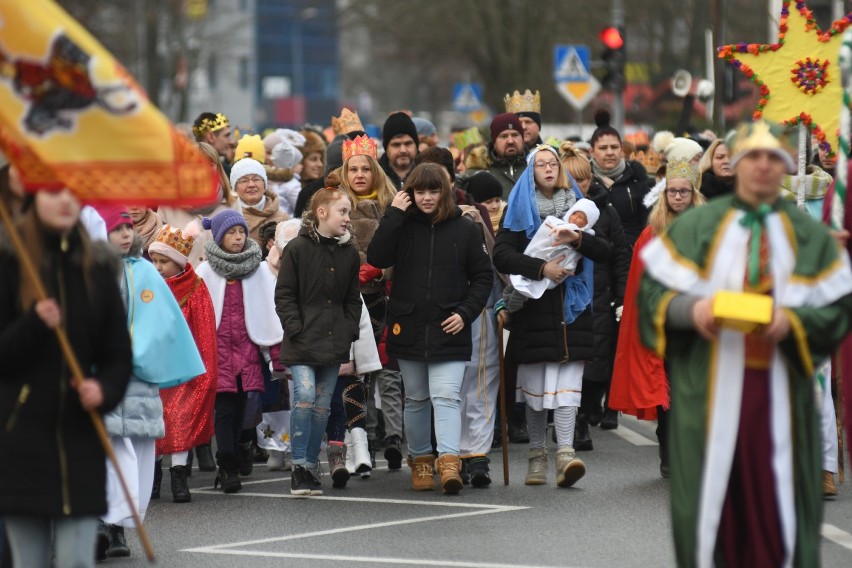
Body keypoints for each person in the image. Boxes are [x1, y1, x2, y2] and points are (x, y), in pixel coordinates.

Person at [638, 120, 852, 567]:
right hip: (708, 396)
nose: (761, 167)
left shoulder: (809, 234)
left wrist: (793, 322)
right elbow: (653, 298)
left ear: (787, 167)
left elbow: (836, 311)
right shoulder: (695, 228)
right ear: (734, 164)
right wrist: (690, 311)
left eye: (772, 158)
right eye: (752, 157)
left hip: (781, 399)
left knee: (780, 514)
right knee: (709, 514)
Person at [0, 188, 132, 568]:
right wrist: (34, 323)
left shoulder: (97, 267)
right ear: (31, 199)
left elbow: (117, 354)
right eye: (51, 192)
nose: (63, 201)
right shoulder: (10, 264)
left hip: (80, 437)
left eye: (71, 193)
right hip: (19, 437)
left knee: (77, 560)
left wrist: (104, 389)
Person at [367, 163, 493, 494]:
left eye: (432, 191)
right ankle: (421, 461)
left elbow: (483, 277)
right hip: (408, 325)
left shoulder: (465, 229)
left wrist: (466, 313)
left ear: (444, 192)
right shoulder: (402, 225)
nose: (426, 197)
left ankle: (449, 462)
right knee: (418, 398)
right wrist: (393, 215)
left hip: (449, 326)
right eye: (419, 191)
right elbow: (378, 257)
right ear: (410, 193)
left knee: (447, 396)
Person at [493, 144, 612, 488]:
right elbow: (502, 255)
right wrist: (542, 267)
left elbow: (604, 250)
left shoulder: (580, 210)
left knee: (567, 388)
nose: (548, 168)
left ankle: (565, 453)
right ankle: (536, 455)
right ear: (531, 172)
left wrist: (576, 241)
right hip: (534, 311)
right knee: (534, 389)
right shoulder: (520, 210)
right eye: (541, 164)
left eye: (553, 163)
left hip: (572, 309)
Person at [97, 206, 203, 559]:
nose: (125, 234)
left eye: (128, 227)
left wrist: (136, 352)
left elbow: (161, 323)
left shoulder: (144, 272)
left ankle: (119, 529)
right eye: (116, 229)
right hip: (104, 379)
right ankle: (100, 521)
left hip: (137, 380)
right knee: (108, 454)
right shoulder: (93, 271)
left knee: (134, 456)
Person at [608, 159, 705, 477]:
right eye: (673, 191)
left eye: (684, 192)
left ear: (694, 194)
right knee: (671, 389)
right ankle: (669, 446)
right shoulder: (651, 235)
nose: (678, 197)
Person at [275, 185, 361, 496]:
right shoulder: (297, 249)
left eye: (349, 212)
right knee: (306, 396)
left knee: (323, 405)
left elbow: (353, 298)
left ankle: (311, 465)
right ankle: (299, 465)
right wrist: (294, 327)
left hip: (334, 340)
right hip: (302, 340)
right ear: (322, 213)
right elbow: (284, 294)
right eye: (343, 211)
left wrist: (349, 329)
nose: (348, 218)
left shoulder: (349, 253)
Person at [196, 210, 283, 493]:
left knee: (245, 406)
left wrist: (274, 352)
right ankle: (228, 463)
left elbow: (268, 310)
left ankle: (240, 446)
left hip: (247, 349)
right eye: (232, 233)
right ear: (219, 237)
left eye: (241, 232)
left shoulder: (256, 269)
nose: (238, 237)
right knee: (223, 408)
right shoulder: (206, 270)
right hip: (217, 350)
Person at [335, 136, 407, 472]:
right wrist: (355, 269)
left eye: (366, 168)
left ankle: (393, 437)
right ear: (345, 172)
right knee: (357, 373)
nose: (360, 174)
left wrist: (382, 266)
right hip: (350, 303)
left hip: (386, 299)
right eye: (354, 169)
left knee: (390, 371)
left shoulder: (394, 203)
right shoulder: (335, 205)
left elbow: (405, 250)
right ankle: (360, 441)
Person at [558, 141, 631, 448]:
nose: (580, 185)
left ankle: (586, 415)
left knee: (596, 360)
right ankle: (568, 423)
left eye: (585, 179)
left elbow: (619, 257)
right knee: (567, 360)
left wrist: (622, 296)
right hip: (567, 293)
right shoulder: (558, 211)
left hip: (599, 296)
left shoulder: (606, 212)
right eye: (574, 179)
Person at [148, 224, 218, 503]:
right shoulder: (149, 288)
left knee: (180, 421)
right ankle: (153, 476)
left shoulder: (197, 289)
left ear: (178, 262)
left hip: (183, 369)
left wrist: (203, 368)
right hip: (154, 367)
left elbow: (204, 330)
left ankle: (179, 474)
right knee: (155, 422)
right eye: (154, 261)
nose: (157, 267)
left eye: (163, 261)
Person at [507, 198, 600, 302]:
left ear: (588, 223)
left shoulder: (587, 236)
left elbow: (601, 250)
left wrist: (576, 239)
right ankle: (517, 292)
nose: (575, 218)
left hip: (561, 267)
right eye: (574, 214)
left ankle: (520, 294)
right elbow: (544, 237)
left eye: (580, 218)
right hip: (539, 259)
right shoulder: (557, 222)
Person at [589, 110, 653, 245]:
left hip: (631, 252)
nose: (609, 152)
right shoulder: (584, 180)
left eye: (614, 147)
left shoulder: (637, 179)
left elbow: (647, 223)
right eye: (603, 148)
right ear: (592, 151)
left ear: (621, 149)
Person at [230, 157, 289, 245]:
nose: (251, 185)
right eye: (244, 180)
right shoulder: (227, 216)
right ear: (234, 188)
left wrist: (279, 249)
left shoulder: (282, 219)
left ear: (265, 185)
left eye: (256, 179)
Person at [485, 113, 527, 199]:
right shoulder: (483, 172)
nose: (510, 141)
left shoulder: (535, 167)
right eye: (504, 136)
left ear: (522, 139)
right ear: (494, 142)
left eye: (515, 135)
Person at [379, 111, 419, 188]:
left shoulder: (430, 172)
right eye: (396, 145)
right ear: (386, 148)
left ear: (416, 145)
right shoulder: (375, 176)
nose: (403, 150)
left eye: (408, 143)